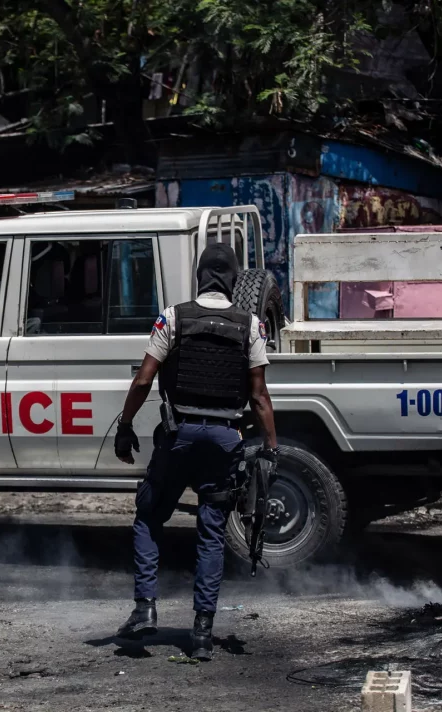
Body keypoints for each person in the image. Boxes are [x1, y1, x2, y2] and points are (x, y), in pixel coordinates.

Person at [112, 243, 278, 661]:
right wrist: (272, 449)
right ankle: (202, 633)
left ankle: (145, 607)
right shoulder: (251, 325)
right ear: (234, 280)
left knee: (150, 515)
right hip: (224, 440)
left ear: (200, 276)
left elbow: (143, 379)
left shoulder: (174, 316)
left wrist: (126, 424)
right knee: (211, 531)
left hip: (179, 435)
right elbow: (259, 398)